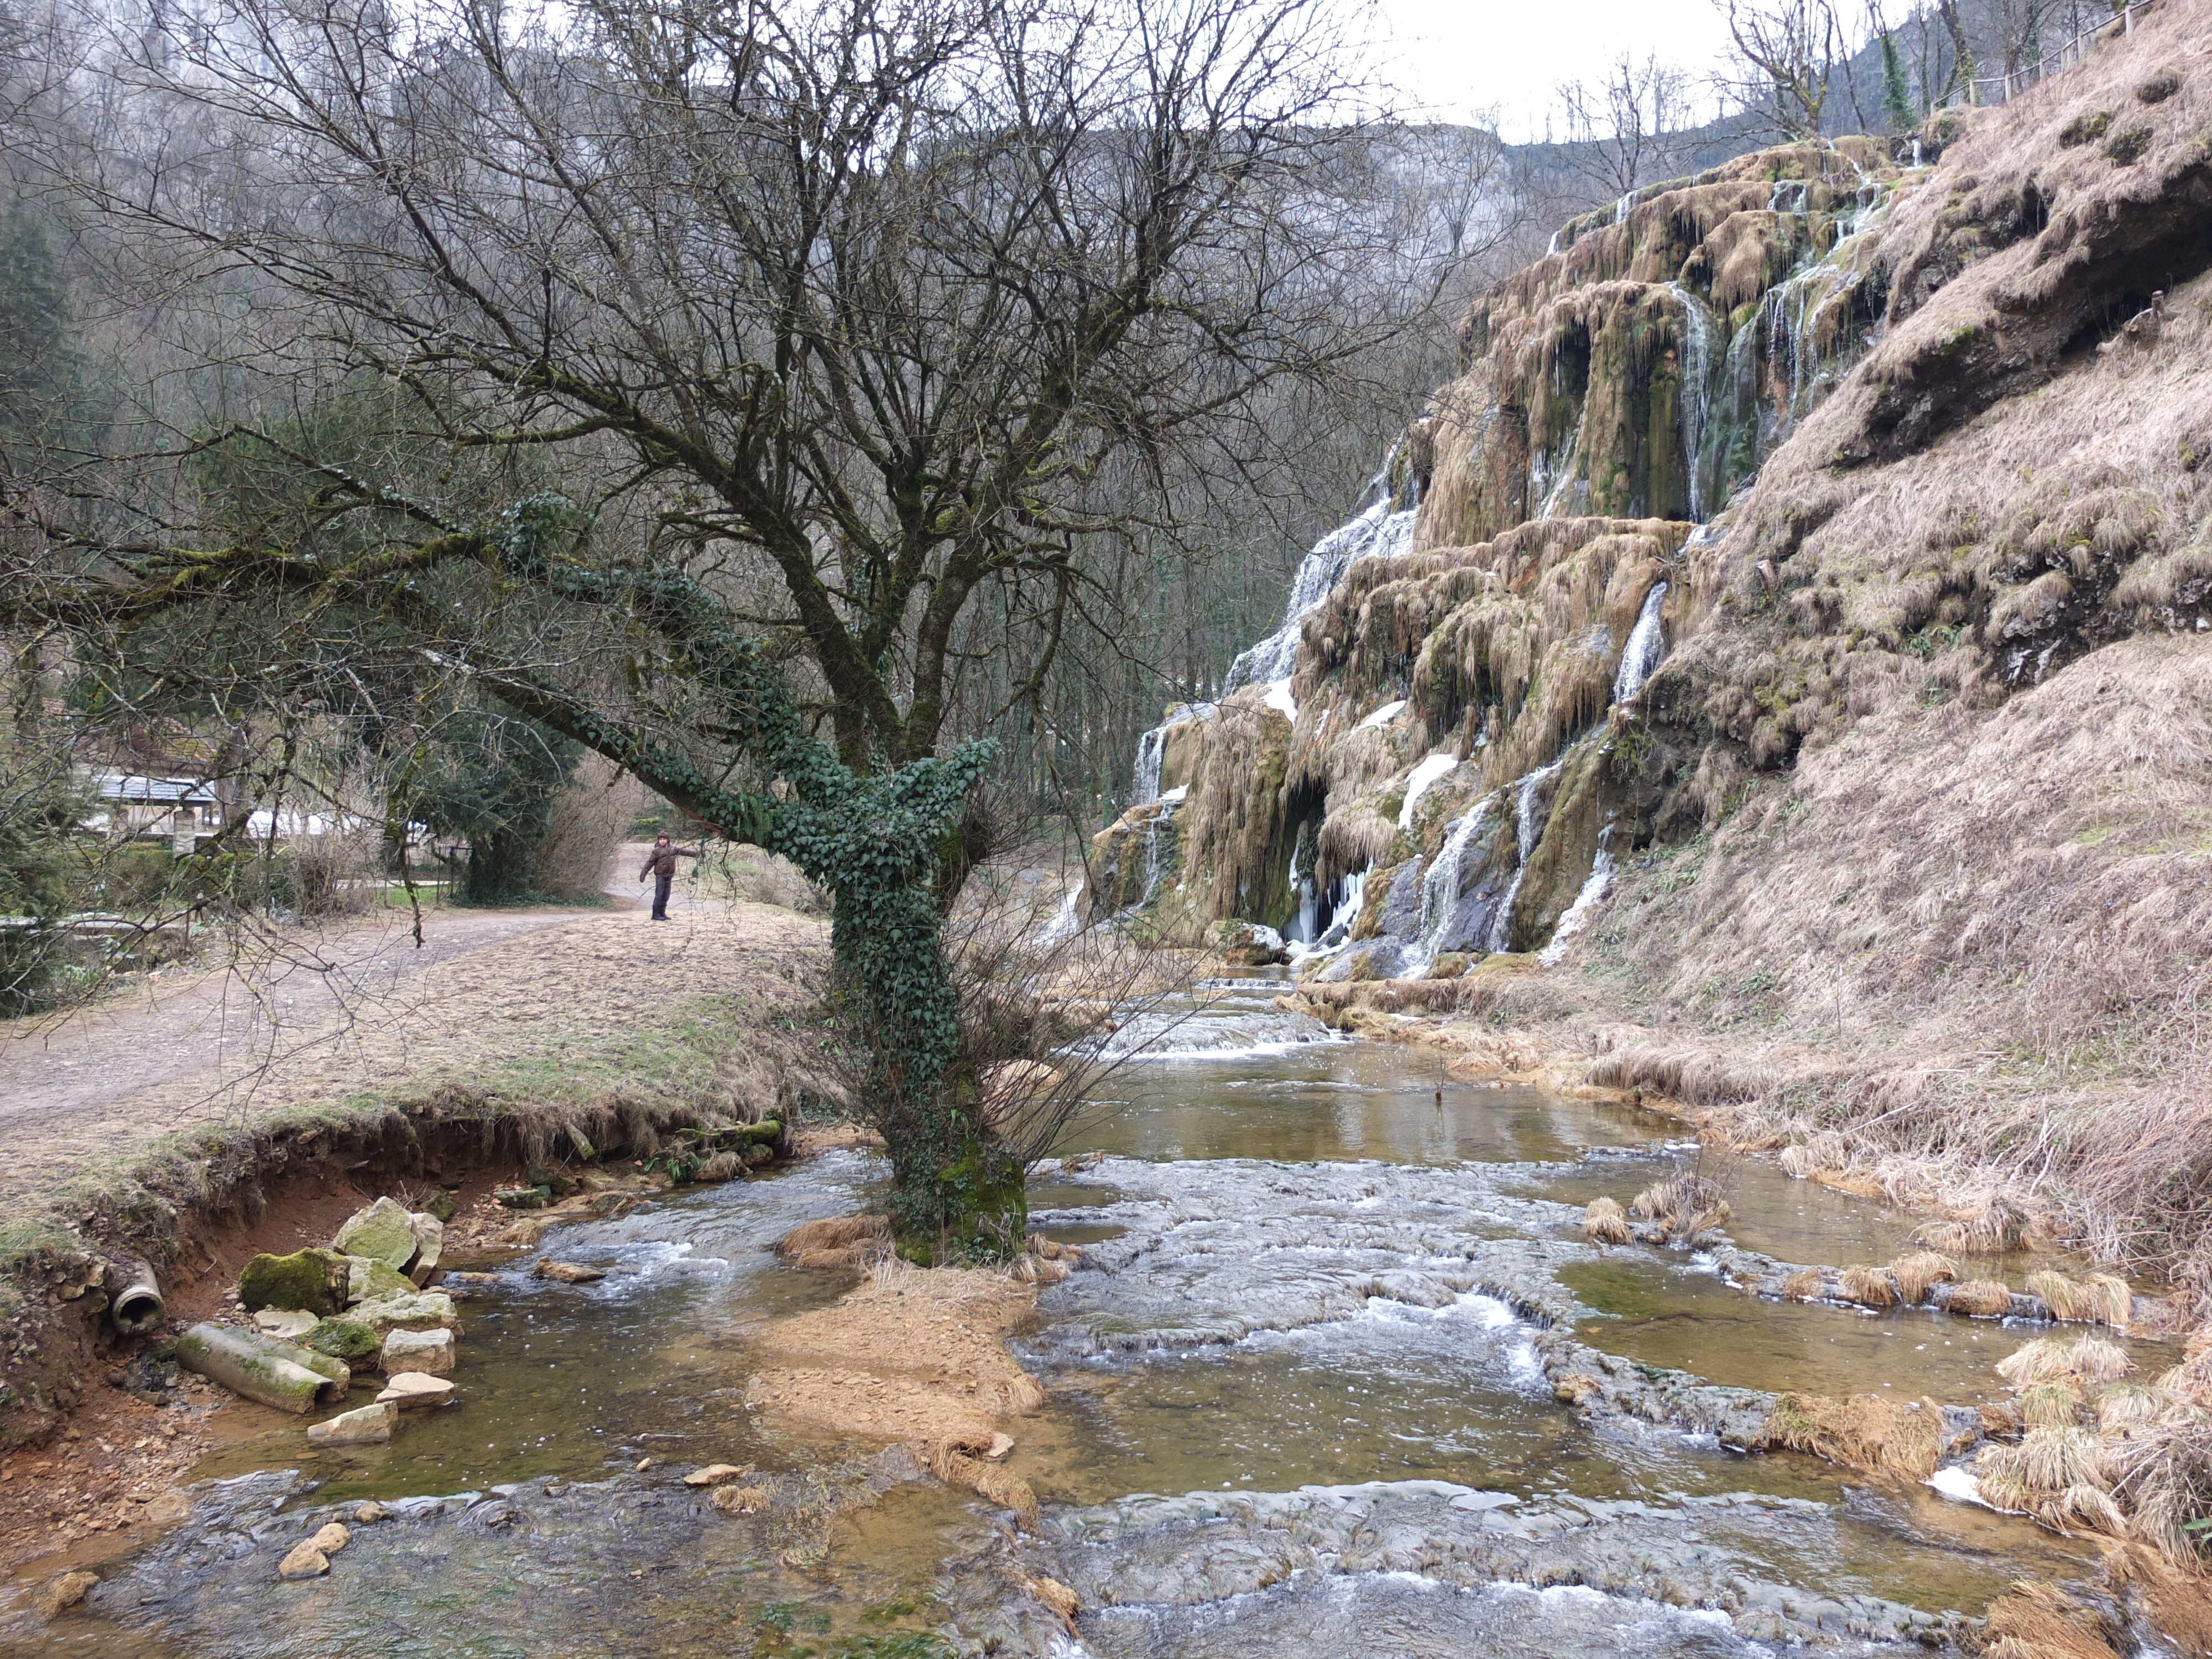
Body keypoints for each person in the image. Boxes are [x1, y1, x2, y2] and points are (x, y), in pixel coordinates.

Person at [637, 833, 700, 920]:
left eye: (664, 839)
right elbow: (649, 863)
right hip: (660, 876)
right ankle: (655, 915)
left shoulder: (673, 849)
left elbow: (685, 852)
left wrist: (698, 854)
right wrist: (643, 874)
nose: (663, 841)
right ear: (658, 841)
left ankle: (662, 913)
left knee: (666, 896)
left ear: (668, 840)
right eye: (661, 839)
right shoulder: (657, 851)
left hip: (669, 876)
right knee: (659, 895)